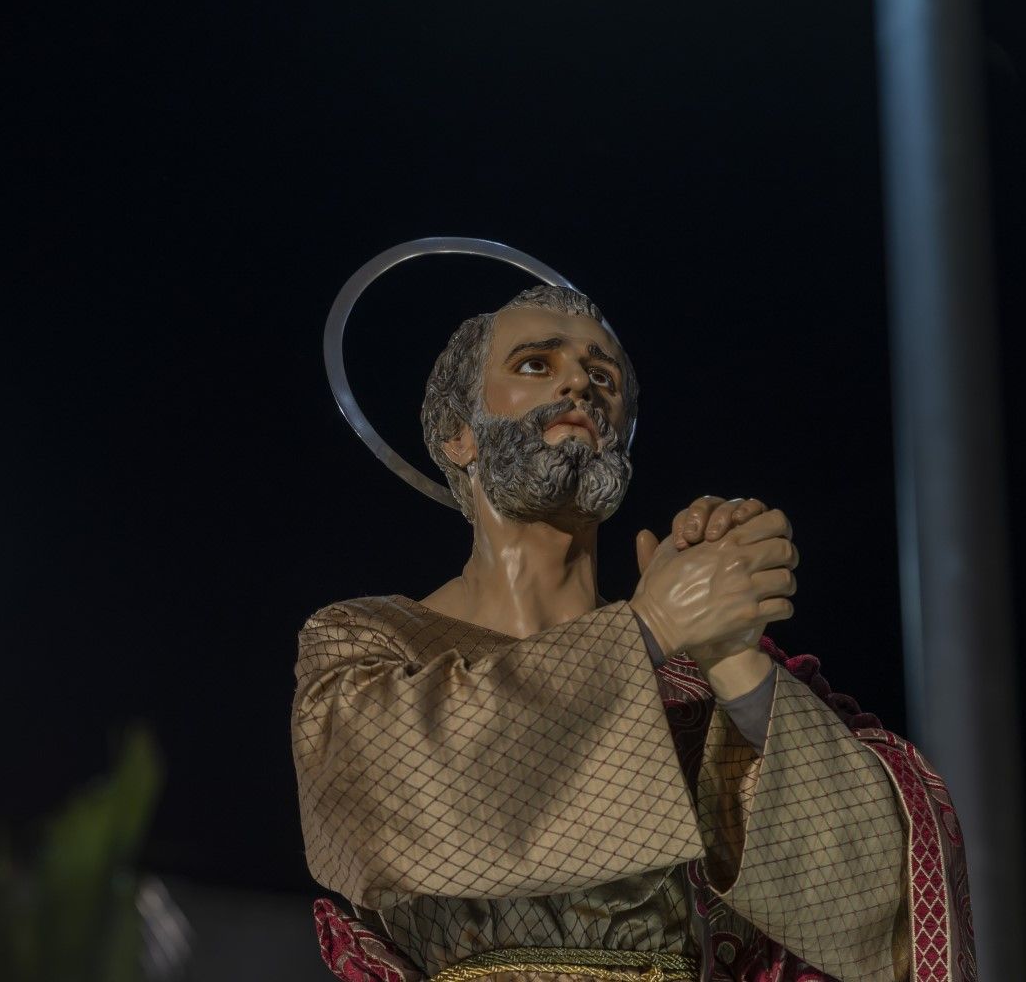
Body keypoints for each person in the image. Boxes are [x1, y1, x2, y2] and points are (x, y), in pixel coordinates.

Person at [293, 285, 973, 982]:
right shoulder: (369, 641)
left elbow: (870, 912)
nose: (579, 383)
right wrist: (650, 624)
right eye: (535, 364)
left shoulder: (689, 683)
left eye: (604, 376)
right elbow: (387, 797)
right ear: (457, 435)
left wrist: (730, 655)